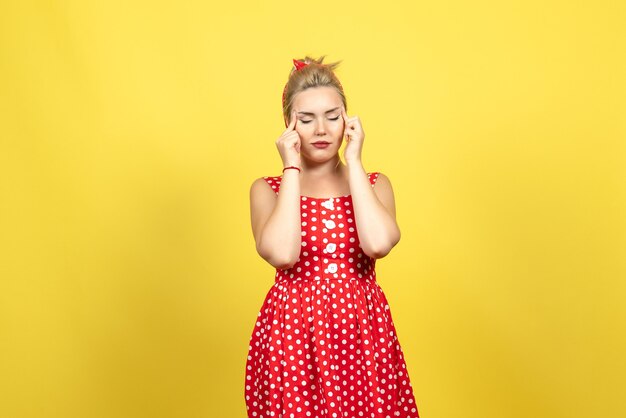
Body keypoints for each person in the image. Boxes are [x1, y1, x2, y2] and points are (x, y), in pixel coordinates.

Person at [244, 55, 420, 418]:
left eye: (332, 116)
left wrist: (354, 161)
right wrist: (291, 165)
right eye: (306, 119)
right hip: (292, 335)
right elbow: (282, 253)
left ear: (348, 121)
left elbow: (378, 244)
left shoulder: (374, 184)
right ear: (289, 126)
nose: (321, 129)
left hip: (362, 333)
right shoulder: (269, 189)